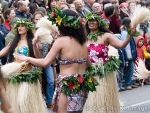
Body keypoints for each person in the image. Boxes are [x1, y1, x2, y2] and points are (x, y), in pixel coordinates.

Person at [14, 9, 98, 113]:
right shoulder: (82, 43)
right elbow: (88, 65)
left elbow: (45, 62)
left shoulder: (61, 41)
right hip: (81, 85)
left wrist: (27, 58)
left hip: (67, 86)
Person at [82, 13, 136, 113]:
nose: (91, 22)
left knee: (102, 97)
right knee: (90, 99)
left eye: (94, 20)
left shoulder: (106, 36)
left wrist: (130, 35)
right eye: (89, 20)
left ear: (99, 22)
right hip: (88, 72)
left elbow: (121, 44)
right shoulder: (84, 37)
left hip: (103, 73)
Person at [0, 18, 47, 113]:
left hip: (28, 76)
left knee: (23, 102)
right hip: (15, 76)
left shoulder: (32, 41)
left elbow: (38, 58)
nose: (20, 28)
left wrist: (34, 45)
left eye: (22, 26)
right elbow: (4, 51)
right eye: (19, 26)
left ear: (27, 28)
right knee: (16, 104)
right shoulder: (14, 41)